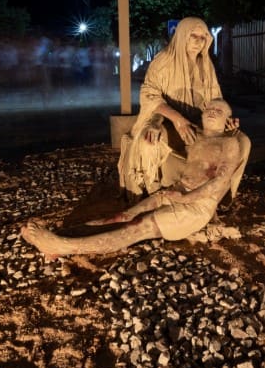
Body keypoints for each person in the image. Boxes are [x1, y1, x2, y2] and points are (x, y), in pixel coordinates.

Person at [21, 99, 243, 258]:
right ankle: (61, 235)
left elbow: (220, 182)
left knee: (137, 228)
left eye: (220, 111)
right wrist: (156, 126)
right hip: (174, 192)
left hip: (195, 206)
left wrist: (185, 199)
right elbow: (156, 108)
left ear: (228, 120)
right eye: (210, 108)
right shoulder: (194, 135)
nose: (213, 111)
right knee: (124, 216)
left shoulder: (229, 143)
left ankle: (63, 246)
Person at [117, 17, 250, 202]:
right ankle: (150, 195)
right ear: (181, 36)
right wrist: (178, 119)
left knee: (242, 141)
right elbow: (149, 95)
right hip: (165, 121)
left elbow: (215, 99)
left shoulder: (205, 64)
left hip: (200, 124)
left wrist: (223, 118)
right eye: (193, 35)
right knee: (148, 141)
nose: (198, 41)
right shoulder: (163, 60)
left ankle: (223, 195)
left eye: (203, 37)